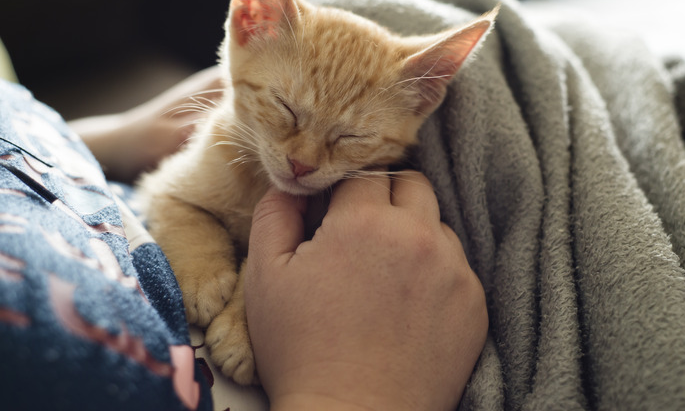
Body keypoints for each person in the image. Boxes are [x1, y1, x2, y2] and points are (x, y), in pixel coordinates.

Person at [69, 68, 489, 410]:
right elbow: (169, 196)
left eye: (350, 136)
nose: (303, 160)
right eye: (286, 113)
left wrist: (110, 137)